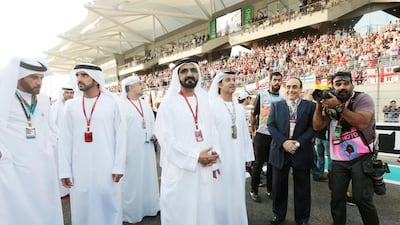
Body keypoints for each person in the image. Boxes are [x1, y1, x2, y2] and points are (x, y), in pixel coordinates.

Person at [58, 63, 127, 225]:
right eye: (77, 75)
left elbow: (121, 136)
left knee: (109, 205)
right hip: (79, 168)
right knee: (83, 207)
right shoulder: (71, 106)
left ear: (96, 79)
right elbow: (64, 139)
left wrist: (119, 166)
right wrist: (64, 170)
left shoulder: (113, 103)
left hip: (107, 166)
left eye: (84, 75)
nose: (79, 79)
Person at [154, 57, 220, 225]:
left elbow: (214, 130)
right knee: (181, 214)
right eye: (184, 71)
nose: (189, 74)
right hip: (181, 170)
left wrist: (215, 159)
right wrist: (195, 156)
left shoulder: (205, 99)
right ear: (177, 76)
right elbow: (166, 139)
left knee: (204, 212)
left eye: (193, 70)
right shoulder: (168, 103)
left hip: (204, 168)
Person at [0, 57, 64, 225]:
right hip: (16, 168)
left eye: (41, 78)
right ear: (19, 76)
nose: (39, 82)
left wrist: (52, 145)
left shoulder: (43, 100)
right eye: (34, 77)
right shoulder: (4, 98)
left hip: (44, 166)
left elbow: (49, 127)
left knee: (45, 205)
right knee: (20, 210)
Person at [313, 71, 380, 225]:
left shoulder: (362, 99)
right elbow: (317, 125)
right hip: (338, 160)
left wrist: (339, 106)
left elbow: (362, 123)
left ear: (352, 84)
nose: (342, 87)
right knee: (337, 198)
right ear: (332, 86)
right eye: (338, 84)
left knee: (362, 198)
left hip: (362, 157)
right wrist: (319, 103)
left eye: (345, 83)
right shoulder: (330, 102)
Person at [267, 77, 315, 225]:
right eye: (288, 87)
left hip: (301, 151)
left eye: (294, 87)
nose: (291, 90)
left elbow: (313, 128)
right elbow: (271, 125)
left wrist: (298, 143)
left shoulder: (310, 106)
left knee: (302, 188)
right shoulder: (276, 105)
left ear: (300, 89)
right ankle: (278, 215)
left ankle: (302, 219)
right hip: (280, 151)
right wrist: (284, 142)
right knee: (278, 186)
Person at [209, 71, 254, 225]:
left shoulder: (239, 108)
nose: (232, 82)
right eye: (228, 80)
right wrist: (213, 162)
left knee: (237, 191)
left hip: (237, 158)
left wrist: (248, 156)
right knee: (220, 194)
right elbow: (210, 136)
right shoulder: (211, 107)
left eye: (234, 79)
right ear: (219, 84)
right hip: (220, 159)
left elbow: (244, 134)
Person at [119, 75, 160, 223]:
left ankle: (150, 207)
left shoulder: (145, 103)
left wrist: (155, 133)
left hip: (148, 148)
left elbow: (152, 121)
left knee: (148, 177)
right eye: (139, 84)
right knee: (132, 180)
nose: (142, 86)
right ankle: (132, 212)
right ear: (130, 87)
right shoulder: (121, 105)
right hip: (131, 150)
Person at [249, 71, 285, 202]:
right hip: (262, 134)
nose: (276, 82)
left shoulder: (282, 99)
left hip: (275, 136)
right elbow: (254, 115)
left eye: (279, 80)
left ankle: (271, 190)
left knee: (272, 165)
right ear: (270, 81)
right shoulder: (261, 95)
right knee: (258, 164)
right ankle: (254, 190)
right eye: (274, 80)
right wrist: (253, 131)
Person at [50, 85, 75, 197]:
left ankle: (72, 188)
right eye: (67, 93)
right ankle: (63, 191)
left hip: (73, 141)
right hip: (60, 141)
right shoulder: (56, 107)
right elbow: (51, 124)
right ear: (62, 94)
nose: (70, 95)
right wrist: (60, 136)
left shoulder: (75, 106)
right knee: (61, 166)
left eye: (71, 93)